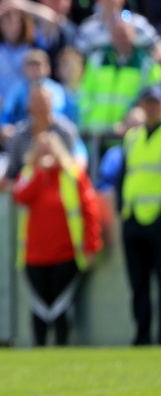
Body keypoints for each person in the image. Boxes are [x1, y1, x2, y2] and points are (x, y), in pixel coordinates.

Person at [13, 131, 101, 346]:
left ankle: (62, 348)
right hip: (34, 255)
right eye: (41, 148)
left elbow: (89, 211)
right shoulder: (28, 174)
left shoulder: (73, 174)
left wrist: (91, 245)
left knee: (61, 306)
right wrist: (39, 173)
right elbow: (20, 196)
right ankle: (39, 347)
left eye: (50, 148)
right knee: (39, 307)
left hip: (66, 253)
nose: (46, 153)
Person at [118, 85, 161, 345]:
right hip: (133, 216)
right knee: (138, 284)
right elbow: (125, 175)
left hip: (159, 217)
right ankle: (142, 335)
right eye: (147, 103)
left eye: (155, 103)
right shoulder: (132, 137)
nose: (151, 107)